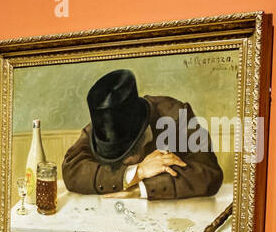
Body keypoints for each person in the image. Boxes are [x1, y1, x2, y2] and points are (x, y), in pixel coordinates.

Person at [60, 68, 223, 200]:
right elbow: (71, 170)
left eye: (126, 153)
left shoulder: (176, 115)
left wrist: (140, 188)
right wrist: (137, 172)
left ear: (143, 137)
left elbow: (209, 173)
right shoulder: (104, 122)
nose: (122, 161)